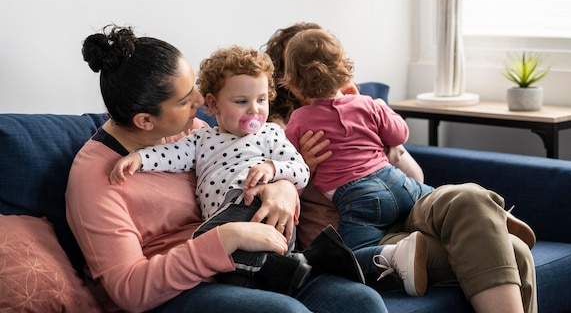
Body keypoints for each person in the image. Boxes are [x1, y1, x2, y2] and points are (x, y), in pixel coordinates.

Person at [66, 25, 388, 313]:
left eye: (192, 86)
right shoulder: (95, 178)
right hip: (178, 291)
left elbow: (253, 164)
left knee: (363, 301)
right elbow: (130, 290)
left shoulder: (189, 130)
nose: (199, 99)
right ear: (145, 121)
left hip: (253, 258)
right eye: (184, 99)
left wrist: (283, 188)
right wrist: (227, 237)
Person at [263, 22, 538, 313]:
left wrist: (382, 144)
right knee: (515, 251)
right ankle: (490, 216)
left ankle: (484, 212)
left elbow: (415, 173)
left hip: (406, 204)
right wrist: (302, 168)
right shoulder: (275, 132)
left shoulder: (359, 107)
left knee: (469, 196)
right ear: (283, 79)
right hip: (373, 234)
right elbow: (275, 204)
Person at [108, 45, 313, 295]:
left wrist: (273, 169)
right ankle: (295, 270)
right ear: (214, 105)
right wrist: (140, 158)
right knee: (239, 276)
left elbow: (301, 171)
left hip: (258, 209)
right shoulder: (201, 138)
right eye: (241, 101)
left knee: (214, 235)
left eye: (261, 100)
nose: (254, 110)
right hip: (227, 226)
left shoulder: (270, 133)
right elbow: (172, 155)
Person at [283, 28, 433, 296]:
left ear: (293, 83)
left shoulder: (299, 121)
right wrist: (381, 109)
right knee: (439, 199)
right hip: (397, 181)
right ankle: (491, 211)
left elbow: (287, 164)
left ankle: (393, 255)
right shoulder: (367, 104)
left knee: (347, 258)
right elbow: (400, 134)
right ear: (345, 71)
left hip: (360, 200)